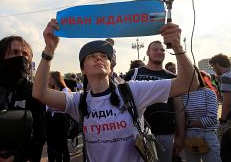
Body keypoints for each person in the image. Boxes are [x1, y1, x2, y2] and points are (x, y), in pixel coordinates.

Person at [32, 19, 199, 162]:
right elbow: (39, 92)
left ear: (110, 66)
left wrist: (177, 47)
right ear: (82, 69)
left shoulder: (133, 90)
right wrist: (49, 50)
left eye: (104, 56)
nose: (99, 58)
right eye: (91, 56)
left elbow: (188, 83)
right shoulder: (77, 101)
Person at [124, 41, 185, 162]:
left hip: (165, 132)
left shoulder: (172, 77)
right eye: (155, 49)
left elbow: (179, 109)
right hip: (137, 133)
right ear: (147, 52)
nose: (159, 52)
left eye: (162, 50)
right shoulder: (134, 74)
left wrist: (180, 136)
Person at [180, 66, 221, 162]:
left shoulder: (209, 93)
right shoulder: (180, 95)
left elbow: (212, 119)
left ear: (197, 75)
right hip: (188, 137)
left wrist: (189, 124)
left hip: (207, 136)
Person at [209, 53, 231, 162]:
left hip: (229, 121)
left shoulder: (226, 77)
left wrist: (222, 120)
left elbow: (227, 103)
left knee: (226, 152)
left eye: (212, 67)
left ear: (217, 64)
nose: (213, 70)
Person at [46, 71, 71, 162]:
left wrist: (52, 105)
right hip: (51, 119)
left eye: (51, 78)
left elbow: (62, 105)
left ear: (56, 78)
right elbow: (47, 106)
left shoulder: (65, 90)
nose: (49, 80)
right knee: (51, 146)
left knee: (62, 145)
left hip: (61, 120)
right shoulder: (51, 89)